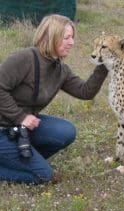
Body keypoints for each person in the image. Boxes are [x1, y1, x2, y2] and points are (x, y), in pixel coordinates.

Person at [0, 14, 108, 184]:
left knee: (66, 131)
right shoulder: (25, 58)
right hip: (3, 128)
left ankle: (22, 160)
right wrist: (20, 117)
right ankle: (22, 163)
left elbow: (85, 91)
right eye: (67, 37)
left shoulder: (59, 69)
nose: (72, 42)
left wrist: (104, 64)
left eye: (72, 37)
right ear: (51, 37)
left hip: (20, 130)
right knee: (44, 176)